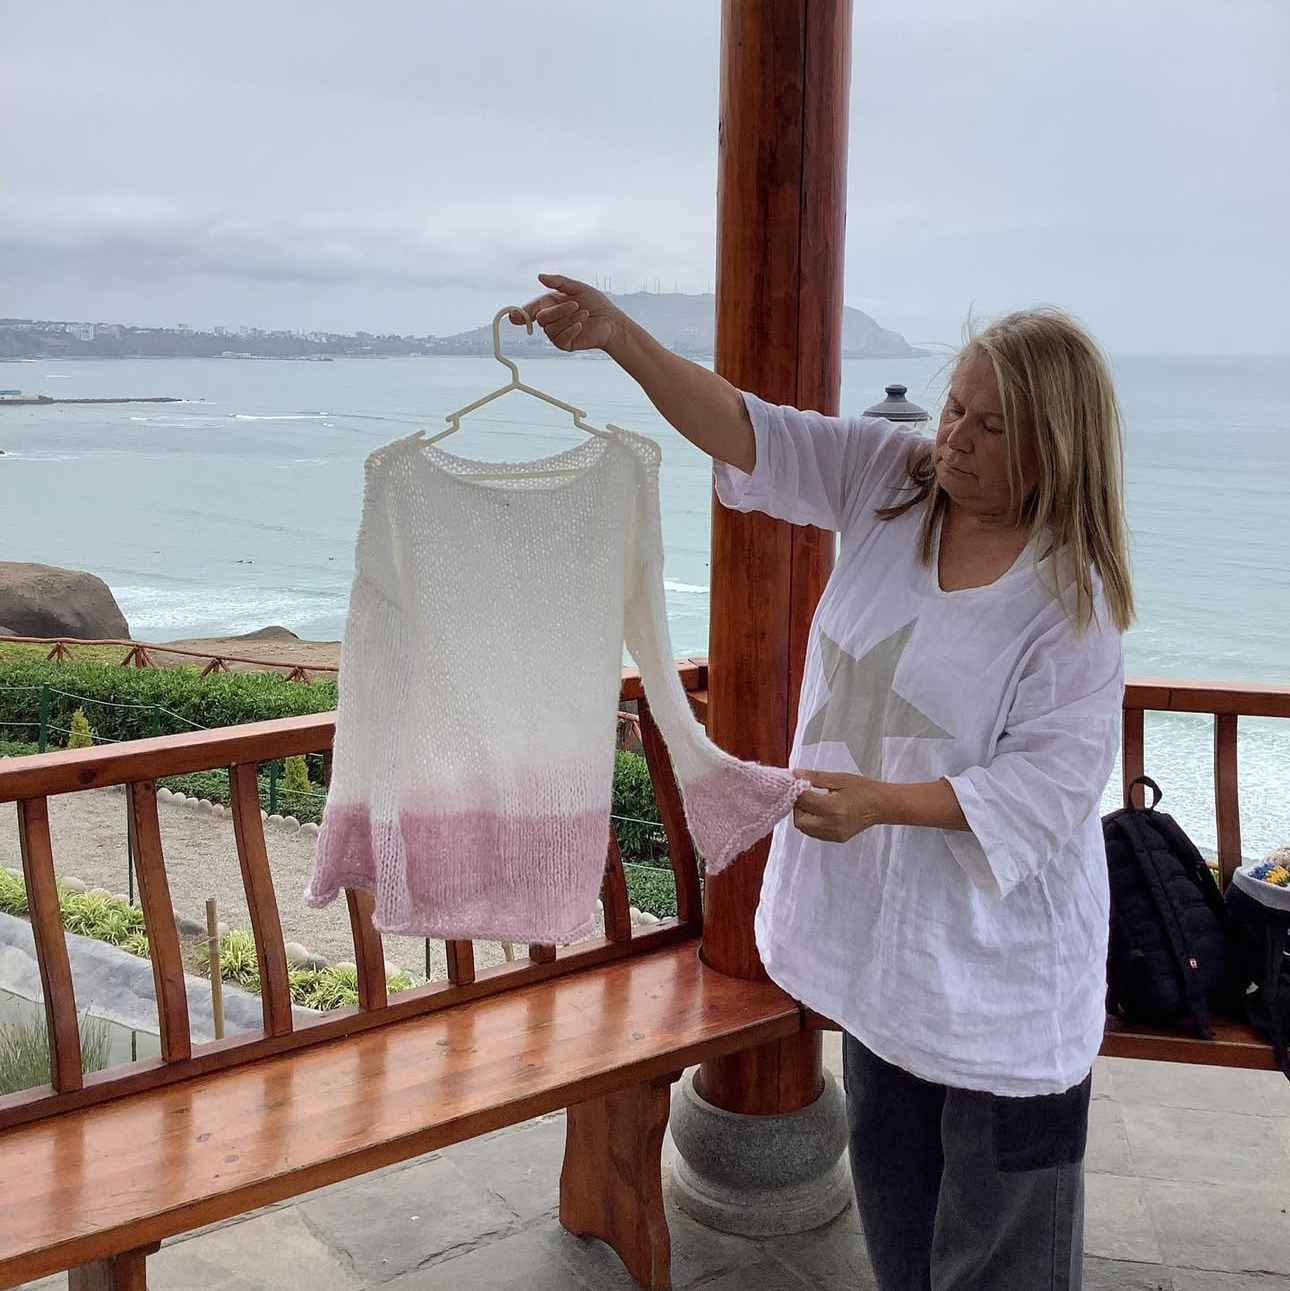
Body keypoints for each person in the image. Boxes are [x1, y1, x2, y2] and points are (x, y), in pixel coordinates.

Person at [514, 273, 1133, 1291]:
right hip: (890, 964)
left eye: (990, 426)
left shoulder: (1071, 599)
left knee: (1004, 1259)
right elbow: (752, 431)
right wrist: (622, 339)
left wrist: (884, 802)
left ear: (1055, 449)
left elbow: (1050, 786)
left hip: (1005, 979)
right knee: (900, 1227)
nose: (955, 439)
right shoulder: (893, 481)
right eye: (955, 407)